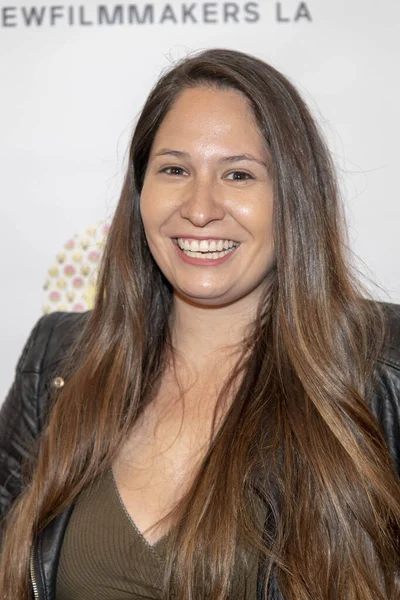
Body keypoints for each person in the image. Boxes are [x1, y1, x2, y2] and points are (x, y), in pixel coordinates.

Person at [0, 48, 399, 600]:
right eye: (174, 170)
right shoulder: (58, 360)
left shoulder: (382, 366)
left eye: (238, 174)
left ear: (295, 197)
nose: (200, 207)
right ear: (140, 191)